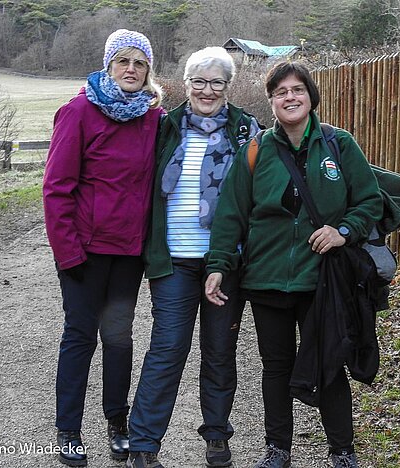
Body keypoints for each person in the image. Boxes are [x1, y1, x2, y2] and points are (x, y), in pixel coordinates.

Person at [205, 61, 382, 468]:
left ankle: (342, 451)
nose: (290, 97)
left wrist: (344, 230)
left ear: (310, 96)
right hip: (266, 279)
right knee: (276, 367)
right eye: (281, 91)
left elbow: (369, 201)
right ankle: (278, 448)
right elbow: (231, 213)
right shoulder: (255, 150)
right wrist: (218, 264)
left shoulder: (339, 144)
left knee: (330, 364)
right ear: (271, 101)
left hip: (322, 280)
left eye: (297, 89)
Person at [126, 46, 261, 468]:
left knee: (220, 350)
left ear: (228, 86)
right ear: (185, 84)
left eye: (216, 82)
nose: (207, 90)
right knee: (167, 349)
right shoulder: (164, 127)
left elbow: (256, 195)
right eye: (198, 81)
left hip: (225, 260)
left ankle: (217, 436)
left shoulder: (246, 130)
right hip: (174, 262)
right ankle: (144, 445)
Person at [43, 29, 163, 467]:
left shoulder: (154, 118)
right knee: (80, 336)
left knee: (118, 338)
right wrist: (68, 253)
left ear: (149, 70)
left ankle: (118, 423)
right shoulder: (78, 112)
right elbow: (56, 188)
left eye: (139, 63)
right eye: (123, 62)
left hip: (129, 252)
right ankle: (68, 431)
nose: (131, 70)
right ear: (108, 66)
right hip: (85, 251)